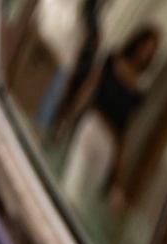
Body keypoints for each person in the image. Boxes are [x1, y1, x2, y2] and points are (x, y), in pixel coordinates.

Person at [58, 24, 159, 211]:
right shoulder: (112, 61)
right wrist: (70, 116)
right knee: (71, 186)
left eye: (150, 51)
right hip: (93, 125)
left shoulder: (140, 89)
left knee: (85, 202)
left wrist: (117, 176)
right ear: (138, 42)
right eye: (145, 46)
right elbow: (89, 88)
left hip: (109, 143)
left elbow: (125, 130)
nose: (145, 53)